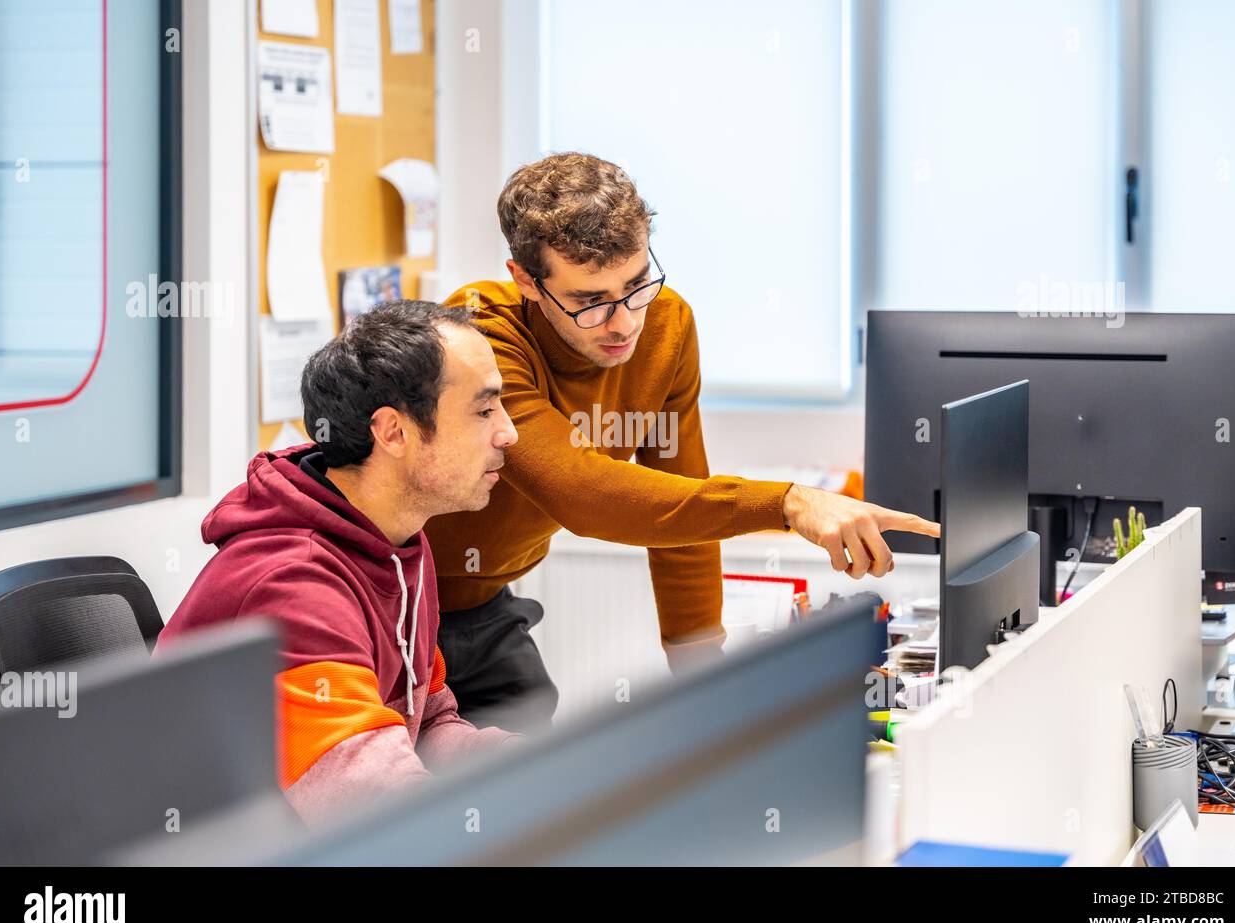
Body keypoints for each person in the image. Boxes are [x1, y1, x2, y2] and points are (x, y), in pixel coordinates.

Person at [424, 152, 940, 731]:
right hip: (382, 595)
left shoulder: (665, 325)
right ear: (526, 280)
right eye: (589, 301)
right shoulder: (477, 333)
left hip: (484, 604)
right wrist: (787, 503)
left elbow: (681, 503)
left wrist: (701, 679)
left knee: (521, 778)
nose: (623, 323)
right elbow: (578, 492)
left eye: (637, 283)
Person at [157, 300, 520, 823]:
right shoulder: (294, 581)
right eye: (484, 410)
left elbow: (427, 721)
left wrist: (529, 764)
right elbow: (372, 807)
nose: (508, 432)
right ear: (393, 432)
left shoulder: (399, 544)